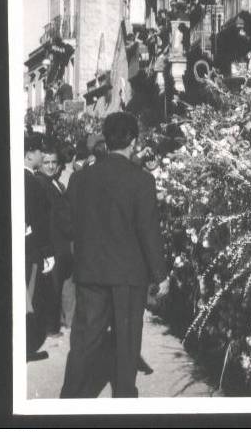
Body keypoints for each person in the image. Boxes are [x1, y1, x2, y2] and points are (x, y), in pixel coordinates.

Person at [60, 112, 169, 398]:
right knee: (126, 342)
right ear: (133, 140)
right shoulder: (141, 180)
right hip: (129, 276)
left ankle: (69, 399)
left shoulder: (80, 179)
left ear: (106, 140)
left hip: (91, 271)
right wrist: (161, 274)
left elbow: (68, 227)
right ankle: (123, 401)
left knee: (85, 340)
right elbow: (149, 232)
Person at [36, 144, 74, 336]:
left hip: (63, 243)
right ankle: (50, 327)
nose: (50, 166)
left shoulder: (57, 183)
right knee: (52, 286)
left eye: (54, 163)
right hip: (53, 242)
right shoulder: (40, 183)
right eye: (46, 162)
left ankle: (62, 321)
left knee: (62, 284)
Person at [24, 133, 55, 361]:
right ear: (29, 154)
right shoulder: (30, 181)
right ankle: (25, 347)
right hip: (31, 248)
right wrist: (47, 252)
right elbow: (39, 220)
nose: (42, 155)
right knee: (28, 297)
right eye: (38, 151)